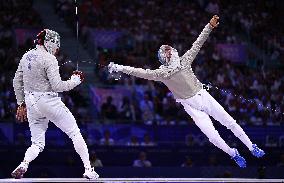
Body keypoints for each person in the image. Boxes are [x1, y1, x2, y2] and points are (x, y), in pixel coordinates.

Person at [108, 15, 265, 168]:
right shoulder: (161, 73)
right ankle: (233, 153)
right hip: (191, 106)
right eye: (167, 51)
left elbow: (198, 43)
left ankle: (252, 146)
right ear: (165, 57)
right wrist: (119, 67)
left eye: (169, 49)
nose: (171, 51)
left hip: (203, 96)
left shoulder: (185, 60)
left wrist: (209, 26)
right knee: (213, 137)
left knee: (229, 122)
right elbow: (140, 72)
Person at [12, 29, 99, 179]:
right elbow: (58, 86)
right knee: (74, 132)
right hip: (47, 101)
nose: (58, 49)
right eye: (57, 45)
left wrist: (21, 104)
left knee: (37, 144)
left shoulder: (26, 56)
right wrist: (75, 80)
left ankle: (24, 163)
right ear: (49, 42)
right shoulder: (49, 59)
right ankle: (89, 170)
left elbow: (16, 82)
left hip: (31, 103)